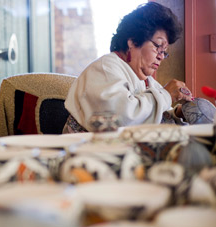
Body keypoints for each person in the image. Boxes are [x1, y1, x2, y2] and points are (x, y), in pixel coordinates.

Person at [63, 2, 195, 133]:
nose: (161, 56)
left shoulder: (147, 80)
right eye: (157, 46)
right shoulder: (105, 68)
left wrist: (177, 114)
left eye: (164, 51)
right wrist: (166, 95)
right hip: (87, 150)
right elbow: (121, 119)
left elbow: (149, 116)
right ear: (133, 41)